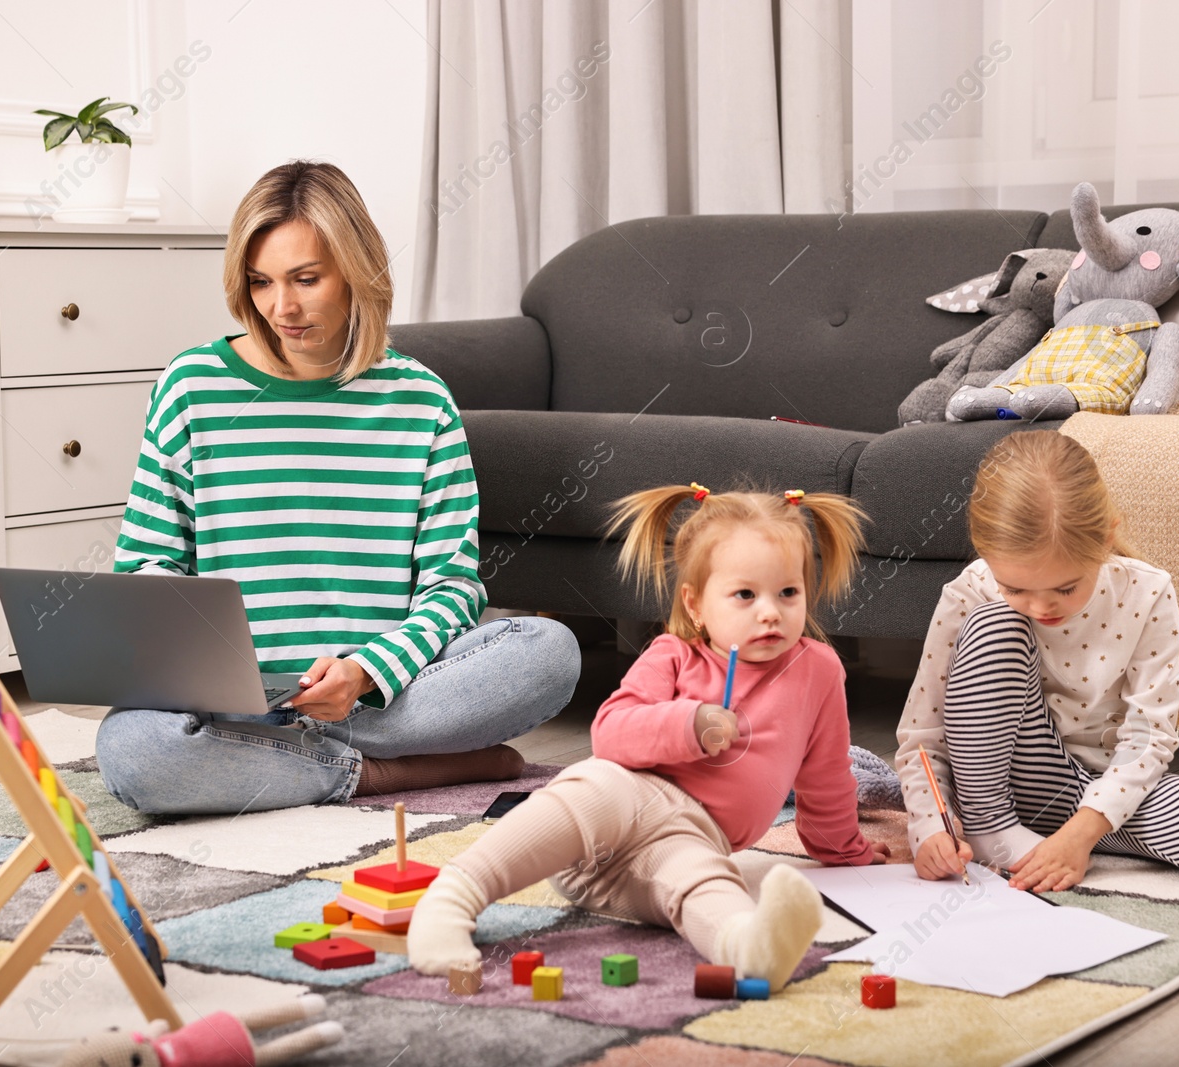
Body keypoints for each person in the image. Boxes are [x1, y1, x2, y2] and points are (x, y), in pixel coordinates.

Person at [95, 161, 580, 815]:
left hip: (381, 692)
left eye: (305, 279)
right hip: (236, 698)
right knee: (134, 749)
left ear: (356, 270)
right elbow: (149, 566)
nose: (281, 308)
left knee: (548, 652)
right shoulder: (190, 388)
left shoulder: (421, 401)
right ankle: (379, 775)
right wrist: (198, 666)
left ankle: (290, 756)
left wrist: (365, 672)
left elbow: (452, 587)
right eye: (261, 281)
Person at [408, 482, 889, 991]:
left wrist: (845, 849)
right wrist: (691, 724)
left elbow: (827, 774)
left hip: (693, 841)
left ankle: (750, 948)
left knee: (704, 880)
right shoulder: (673, 654)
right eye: (745, 595)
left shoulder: (818, 670)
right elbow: (610, 734)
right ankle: (454, 896)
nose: (770, 611)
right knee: (596, 784)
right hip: (607, 824)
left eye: (788, 593)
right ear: (697, 604)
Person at [897, 431, 1179, 889]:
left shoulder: (1147, 591)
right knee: (995, 623)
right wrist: (928, 827)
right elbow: (923, 731)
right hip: (990, 781)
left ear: (1106, 537)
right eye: (1016, 588)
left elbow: (1148, 737)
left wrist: (1080, 834)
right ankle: (987, 826)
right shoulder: (972, 591)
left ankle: (1055, 835)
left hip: (1091, 788)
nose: (1041, 608)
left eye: (1064, 588)